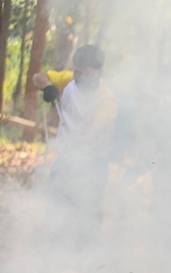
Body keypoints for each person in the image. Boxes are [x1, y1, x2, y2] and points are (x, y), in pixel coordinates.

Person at [34, 45, 118, 226]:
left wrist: (79, 144)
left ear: (100, 72)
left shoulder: (107, 99)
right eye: (78, 73)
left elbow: (94, 130)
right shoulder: (68, 80)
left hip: (93, 165)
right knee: (55, 212)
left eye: (88, 74)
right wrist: (48, 86)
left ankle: (84, 252)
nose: (81, 78)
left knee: (87, 216)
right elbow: (37, 77)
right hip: (65, 160)